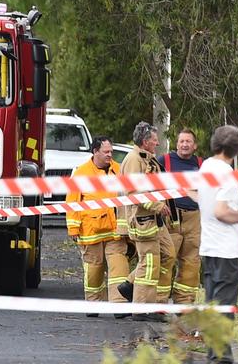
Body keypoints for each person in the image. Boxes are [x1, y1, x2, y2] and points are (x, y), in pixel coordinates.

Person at [198, 125, 238, 364]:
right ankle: (221, 357)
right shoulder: (227, 174)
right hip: (225, 248)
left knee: (212, 303)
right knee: (223, 306)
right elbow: (222, 211)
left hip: (208, 245)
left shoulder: (206, 167)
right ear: (237, 148)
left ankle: (214, 354)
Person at [66, 136, 130, 317]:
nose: (110, 155)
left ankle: (119, 306)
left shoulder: (118, 170)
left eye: (111, 152)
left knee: (118, 267)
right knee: (94, 269)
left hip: (115, 230)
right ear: (95, 152)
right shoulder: (81, 173)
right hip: (91, 231)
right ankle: (94, 305)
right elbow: (72, 202)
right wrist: (73, 228)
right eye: (106, 152)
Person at [119, 121, 175, 321]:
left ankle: (134, 288)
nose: (157, 143)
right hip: (144, 220)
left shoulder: (146, 159)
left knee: (168, 254)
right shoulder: (134, 160)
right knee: (149, 263)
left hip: (156, 220)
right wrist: (158, 205)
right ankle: (142, 308)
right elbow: (134, 192)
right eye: (154, 139)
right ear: (145, 141)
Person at [158, 128, 203, 304]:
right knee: (166, 259)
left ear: (195, 146)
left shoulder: (201, 164)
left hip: (194, 218)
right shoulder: (164, 161)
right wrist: (159, 205)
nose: (184, 144)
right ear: (176, 144)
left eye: (188, 141)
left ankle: (184, 302)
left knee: (191, 262)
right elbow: (152, 186)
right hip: (171, 217)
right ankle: (159, 302)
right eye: (181, 141)